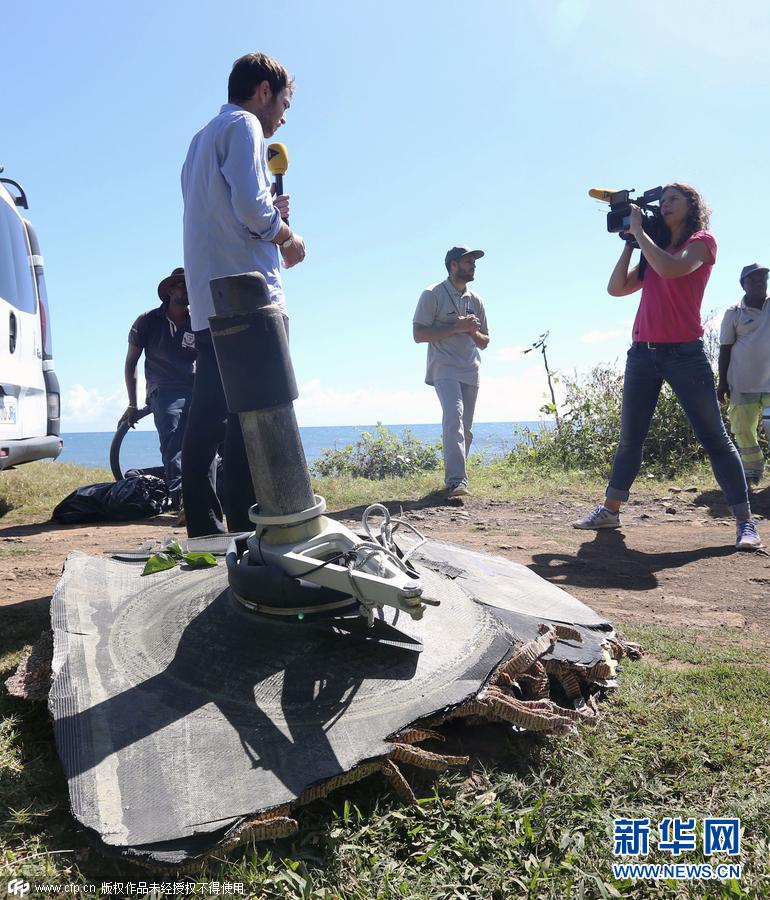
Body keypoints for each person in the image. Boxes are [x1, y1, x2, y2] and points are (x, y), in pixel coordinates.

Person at [572, 183, 762, 550]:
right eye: (663, 200)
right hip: (642, 354)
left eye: (674, 198)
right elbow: (616, 288)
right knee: (630, 439)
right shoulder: (651, 249)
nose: (665, 204)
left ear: (692, 206)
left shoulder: (702, 242)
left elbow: (674, 269)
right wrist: (631, 244)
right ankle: (610, 511)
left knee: (715, 439)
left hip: (684, 354)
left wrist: (641, 234)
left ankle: (745, 523)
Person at [180, 52, 306, 537]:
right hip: (248, 298)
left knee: (211, 414)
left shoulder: (200, 139)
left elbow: (222, 213)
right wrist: (286, 236)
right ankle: (248, 530)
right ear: (263, 91)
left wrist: (267, 213)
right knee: (253, 418)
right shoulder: (245, 126)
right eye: (284, 103)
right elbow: (251, 210)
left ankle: (209, 530)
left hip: (209, 297)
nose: (283, 117)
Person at [413, 246, 490, 497]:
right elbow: (418, 334)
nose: (474, 265)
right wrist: (456, 327)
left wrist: (471, 331)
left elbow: (485, 341)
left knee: (465, 427)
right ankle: (457, 481)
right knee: (454, 418)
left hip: (470, 369)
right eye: (468, 261)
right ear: (453, 265)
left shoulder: (476, 300)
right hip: (443, 368)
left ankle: (456, 480)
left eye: (474, 262)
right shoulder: (432, 294)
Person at [119, 267, 196, 509]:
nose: (188, 289)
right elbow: (131, 362)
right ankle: (183, 501)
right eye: (183, 285)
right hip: (163, 389)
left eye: (191, 284)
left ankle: (214, 494)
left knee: (215, 437)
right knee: (173, 440)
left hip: (195, 387)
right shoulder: (148, 321)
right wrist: (132, 404)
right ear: (170, 290)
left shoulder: (198, 321)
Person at [717, 262, 770, 484]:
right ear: (743, 285)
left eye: (763, 278)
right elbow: (725, 348)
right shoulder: (734, 313)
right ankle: (753, 470)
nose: (759, 282)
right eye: (752, 279)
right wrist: (722, 383)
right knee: (742, 430)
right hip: (742, 383)